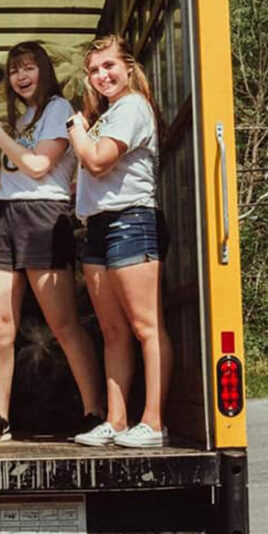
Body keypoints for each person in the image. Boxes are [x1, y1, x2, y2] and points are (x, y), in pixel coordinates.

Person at [0, 41, 102, 443]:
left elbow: (39, 167)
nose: (20, 76)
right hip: (5, 216)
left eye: (28, 67)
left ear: (43, 70)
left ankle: (94, 411)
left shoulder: (58, 109)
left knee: (63, 323)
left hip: (43, 216)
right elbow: (6, 181)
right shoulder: (22, 120)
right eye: (13, 70)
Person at [67, 35, 173, 448]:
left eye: (109, 66)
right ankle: (117, 420)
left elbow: (96, 162)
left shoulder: (132, 107)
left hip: (131, 220)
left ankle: (154, 422)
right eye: (94, 70)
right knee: (112, 331)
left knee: (146, 326)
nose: (102, 76)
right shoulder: (109, 114)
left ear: (129, 66)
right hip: (99, 226)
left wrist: (75, 128)